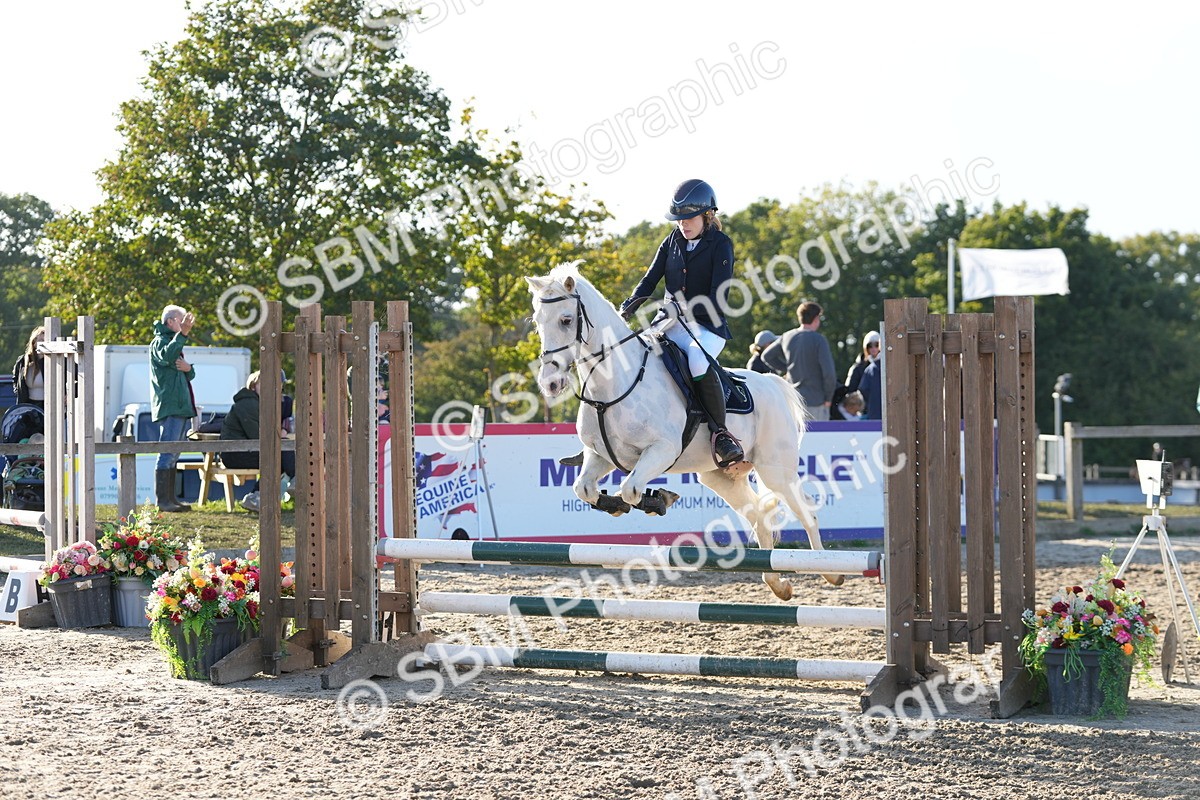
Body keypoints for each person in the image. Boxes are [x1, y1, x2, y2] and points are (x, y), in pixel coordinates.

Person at [560, 178, 744, 469]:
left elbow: (718, 295)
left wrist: (684, 312)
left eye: (689, 218)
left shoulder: (721, 245)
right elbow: (648, 282)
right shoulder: (672, 240)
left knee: (697, 361)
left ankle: (721, 433)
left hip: (706, 327)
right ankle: (600, 438)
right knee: (628, 356)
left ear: (707, 215)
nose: (683, 224)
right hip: (667, 323)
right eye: (679, 219)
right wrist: (625, 313)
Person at [220, 370, 297, 512]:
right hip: (236, 454)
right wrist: (280, 433)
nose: (270, 388)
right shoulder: (248, 403)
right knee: (281, 454)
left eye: (275, 385)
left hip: (245, 450)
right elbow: (259, 436)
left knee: (280, 456)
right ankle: (297, 480)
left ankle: (255, 498)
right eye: (264, 384)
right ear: (254, 385)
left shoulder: (260, 403)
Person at [150, 305, 196, 512]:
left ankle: (171, 499)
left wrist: (190, 369)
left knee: (174, 452)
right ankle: (163, 501)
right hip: (170, 406)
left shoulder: (173, 342)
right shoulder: (160, 342)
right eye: (180, 320)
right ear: (170, 322)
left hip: (179, 406)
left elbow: (187, 373)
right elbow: (168, 357)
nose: (184, 324)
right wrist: (183, 334)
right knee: (167, 452)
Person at [761, 301, 838, 421]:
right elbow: (829, 373)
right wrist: (828, 398)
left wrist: (787, 368)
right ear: (816, 318)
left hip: (793, 399)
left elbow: (766, 356)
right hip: (816, 400)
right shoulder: (819, 340)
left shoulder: (787, 336)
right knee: (817, 438)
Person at [11, 326, 46, 409]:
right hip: (28, 406)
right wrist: (19, 392)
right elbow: (15, 379)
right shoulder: (22, 361)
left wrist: (69, 394)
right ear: (34, 343)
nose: (44, 343)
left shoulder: (56, 361)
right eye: (41, 340)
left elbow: (78, 375)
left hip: (49, 407)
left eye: (46, 341)